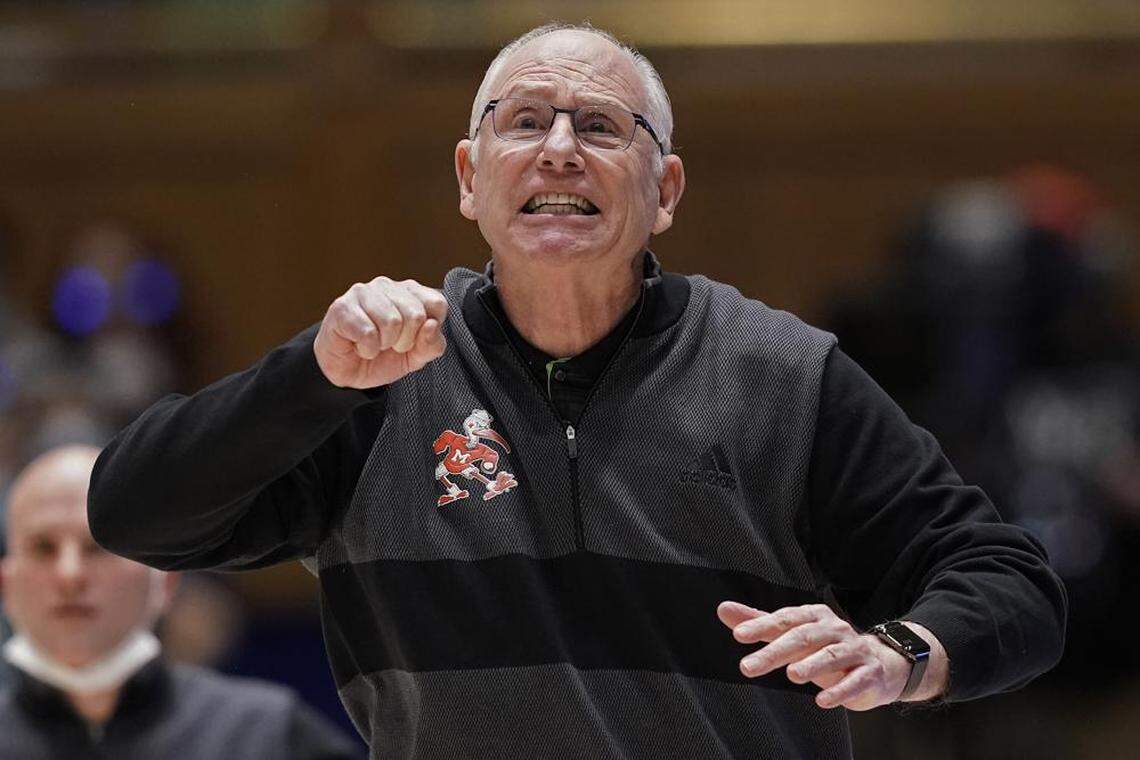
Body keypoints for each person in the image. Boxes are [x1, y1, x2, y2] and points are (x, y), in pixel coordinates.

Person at [88, 23, 1067, 760]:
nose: (559, 148)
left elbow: (1010, 580)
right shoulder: (377, 385)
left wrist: (901, 650)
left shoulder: (780, 376)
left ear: (666, 189)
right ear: (472, 177)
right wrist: (312, 374)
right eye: (524, 122)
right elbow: (134, 514)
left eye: (600, 125)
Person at [0, 445, 363, 759]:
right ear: (6, 583)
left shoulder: (269, 733)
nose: (69, 574)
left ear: (165, 581)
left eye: (97, 548)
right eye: (42, 548)